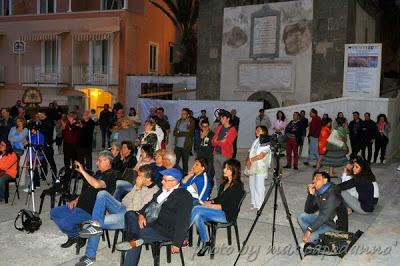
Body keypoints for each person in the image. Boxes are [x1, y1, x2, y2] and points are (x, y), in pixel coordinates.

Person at [75, 165, 159, 266]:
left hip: (130, 218)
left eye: (140, 176)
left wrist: (137, 189)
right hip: (124, 208)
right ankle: (95, 224)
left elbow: (136, 208)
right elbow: (125, 200)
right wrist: (134, 196)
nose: (137, 178)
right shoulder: (139, 184)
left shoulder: (154, 191)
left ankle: (90, 257)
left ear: (148, 178)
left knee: (98, 224)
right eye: (138, 175)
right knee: (102, 194)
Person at [116, 168, 192, 266]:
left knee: (137, 236)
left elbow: (183, 221)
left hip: (165, 230)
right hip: (152, 222)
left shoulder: (184, 195)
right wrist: (141, 214)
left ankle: (132, 242)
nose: (162, 181)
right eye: (162, 179)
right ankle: (133, 239)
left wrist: (177, 243)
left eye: (165, 180)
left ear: (175, 182)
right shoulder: (162, 191)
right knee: (130, 214)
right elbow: (149, 204)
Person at [50, 151, 116, 249]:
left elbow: (97, 184)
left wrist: (82, 171)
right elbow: (88, 190)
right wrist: (76, 200)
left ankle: (77, 236)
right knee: (54, 212)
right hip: (79, 205)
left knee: (64, 223)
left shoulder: (111, 176)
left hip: (90, 210)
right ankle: (77, 234)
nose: (97, 163)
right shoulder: (98, 173)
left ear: (108, 162)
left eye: (99, 160)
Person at [191, 159, 245, 256]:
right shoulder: (224, 183)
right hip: (219, 211)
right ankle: (206, 242)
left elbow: (228, 206)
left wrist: (211, 206)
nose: (224, 170)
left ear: (234, 171)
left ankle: (180, 233)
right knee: (198, 216)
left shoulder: (238, 187)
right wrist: (210, 201)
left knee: (196, 209)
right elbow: (220, 198)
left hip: (227, 215)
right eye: (224, 168)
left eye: (227, 169)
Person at [297, 172, 345, 243]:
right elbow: (309, 211)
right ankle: (316, 234)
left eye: (317, 178)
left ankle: (315, 236)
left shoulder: (333, 194)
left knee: (309, 239)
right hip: (324, 222)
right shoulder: (320, 192)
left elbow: (324, 216)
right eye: (313, 179)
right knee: (302, 217)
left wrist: (309, 230)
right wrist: (311, 195)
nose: (314, 181)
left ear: (325, 180)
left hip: (335, 227)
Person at [211, 110, 237, 193]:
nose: (221, 119)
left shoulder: (232, 130)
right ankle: (219, 193)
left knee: (226, 177)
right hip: (216, 154)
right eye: (220, 118)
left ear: (228, 119)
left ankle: (226, 193)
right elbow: (212, 141)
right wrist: (220, 141)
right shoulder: (219, 127)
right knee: (218, 177)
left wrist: (217, 142)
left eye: (223, 118)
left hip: (225, 155)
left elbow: (227, 144)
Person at [245, 126, 271, 210]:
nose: (256, 131)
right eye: (256, 129)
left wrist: (250, 160)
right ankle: (254, 203)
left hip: (260, 167)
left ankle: (260, 206)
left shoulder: (265, 141)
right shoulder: (256, 140)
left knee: (259, 186)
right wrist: (247, 161)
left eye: (258, 130)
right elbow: (250, 152)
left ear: (264, 132)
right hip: (253, 166)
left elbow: (261, 155)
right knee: (252, 184)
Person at [173, 108, 195, 174]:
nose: (182, 115)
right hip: (177, 145)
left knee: (185, 162)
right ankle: (175, 174)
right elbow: (174, 132)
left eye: (184, 114)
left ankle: (184, 175)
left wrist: (179, 132)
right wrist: (183, 132)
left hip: (186, 146)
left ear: (188, 115)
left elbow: (190, 133)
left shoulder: (191, 121)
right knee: (175, 161)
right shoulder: (179, 121)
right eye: (182, 113)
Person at [37, 112, 57, 181]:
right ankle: (43, 176)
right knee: (42, 161)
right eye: (38, 115)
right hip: (42, 144)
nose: (38, 116)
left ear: (43, 114)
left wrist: (39, 128)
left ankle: (54, 177)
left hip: (48, 144)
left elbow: (48, 131)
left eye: (40, 115)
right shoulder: (41, 122)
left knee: (50, 161)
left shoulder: (49, 121)